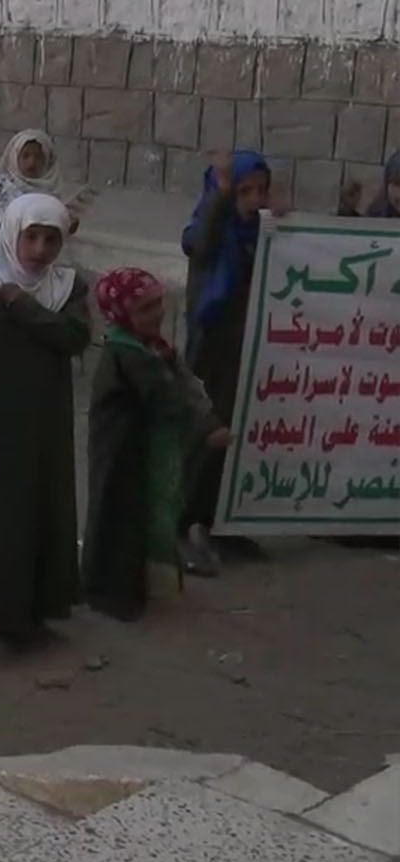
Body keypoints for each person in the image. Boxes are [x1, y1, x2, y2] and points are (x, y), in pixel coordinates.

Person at [0, 193, 90, 649]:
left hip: (47, 418)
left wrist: (21, 304)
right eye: (31, 237)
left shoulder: (68, 286)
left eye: (50, 240)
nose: (39, 250)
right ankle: (4, 616)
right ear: (13, 234)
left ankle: (40, 608)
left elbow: (73, 336)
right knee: (4, 513)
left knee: (45, 506)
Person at [84, 267, 230, 622]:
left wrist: (206, 421)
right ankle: (113, 594)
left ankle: (128, 586)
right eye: (145, 308)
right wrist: (205, 430)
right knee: (120, 519)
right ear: (121, 314)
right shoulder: (128, 353)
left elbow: (182, 385)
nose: (157, 314)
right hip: (121, 452)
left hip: (138, 448)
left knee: (139, 516)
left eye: (157, 304)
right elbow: (167, 397)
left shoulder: (151, 347)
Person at [179, 151, 278, 572]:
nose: (255, 200)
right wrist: (221, 198)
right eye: (244, 191)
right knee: (205, 434)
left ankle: (221, 520)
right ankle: (183, 525)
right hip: (213, 352)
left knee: (237, 436)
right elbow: (201, 245)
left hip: (249, 352)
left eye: (261, 190)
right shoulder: (210, 229)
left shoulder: (260, 233)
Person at [0, 129, 85, 284]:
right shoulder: (1, 183)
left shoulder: (50, 193)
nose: (32, 162)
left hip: (33, 255)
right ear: (15, 157)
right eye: (26, 156)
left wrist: (67, 224)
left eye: (38, 157)